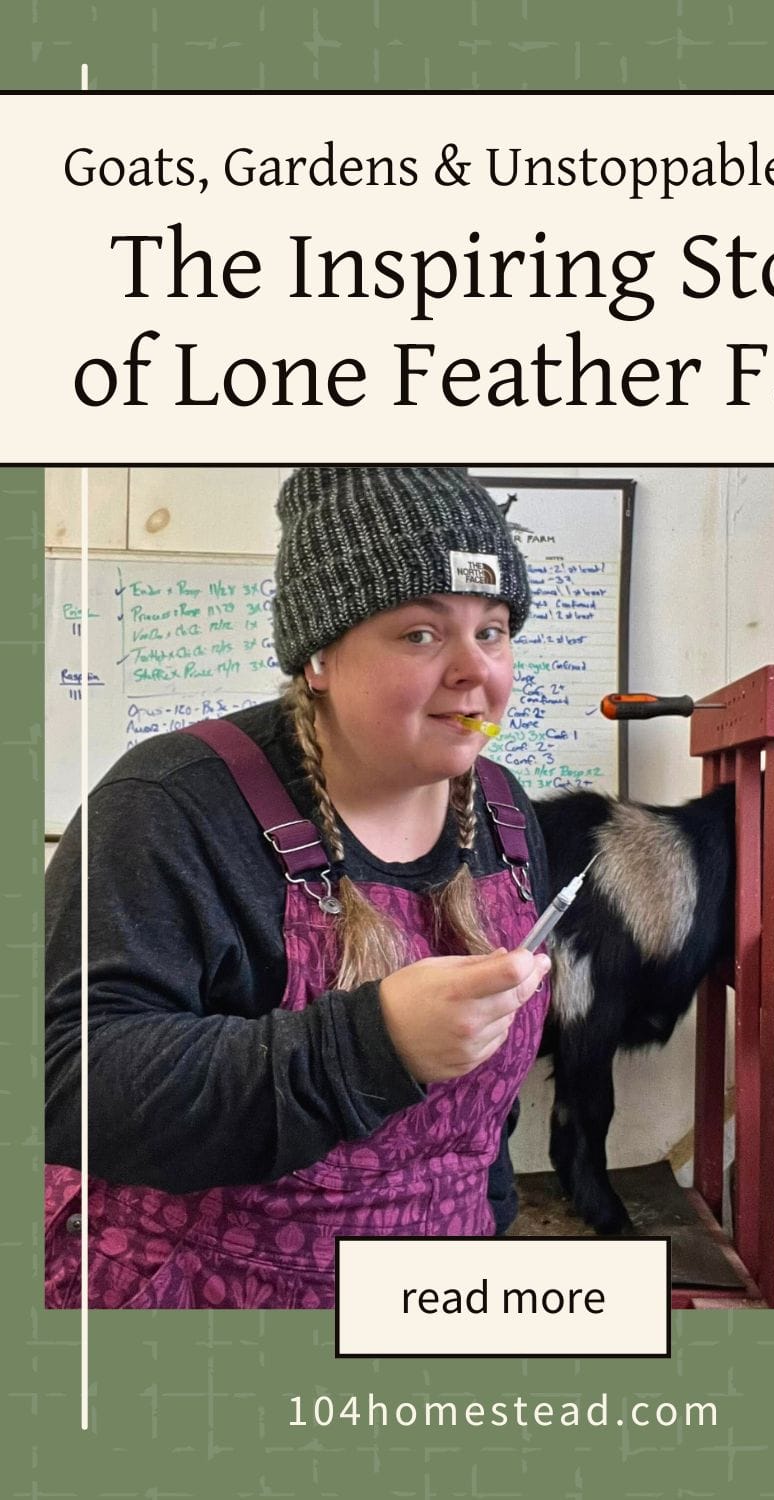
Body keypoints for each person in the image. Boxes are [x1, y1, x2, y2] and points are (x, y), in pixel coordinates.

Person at [45, 466, 551, 1310]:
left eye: (492, 631)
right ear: (318, 655)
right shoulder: (171, 805)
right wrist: (367, 1046)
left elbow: (478, 1129)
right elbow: (68, 1080)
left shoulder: (501, 810)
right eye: (422, 634)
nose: (475, 672)